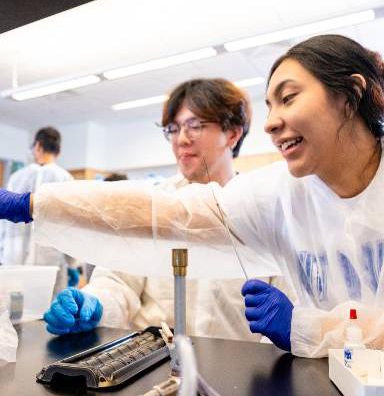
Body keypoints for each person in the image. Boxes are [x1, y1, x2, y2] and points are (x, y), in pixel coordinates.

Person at [0, 34, 384, 375]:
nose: (273, 121)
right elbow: (164, 215)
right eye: (269, 105)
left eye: (288, 98)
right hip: (328, 395)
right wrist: (33, 203)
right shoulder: (279, 195)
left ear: (351, 93)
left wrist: (305, 327)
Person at [46, 79, 293, 341]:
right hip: (153, 359)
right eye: (174, 129)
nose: (181, 139)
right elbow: (118, 283)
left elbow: (286, 309)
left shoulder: (262, 212)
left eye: (195, 126)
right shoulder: (154, 204)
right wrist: (95, 304)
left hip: (237, 364)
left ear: (232, 133)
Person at [0, 127, 72, 267]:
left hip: (14, 258)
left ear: (37, 146)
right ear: (58, 151)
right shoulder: (65, 179)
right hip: (50, 263)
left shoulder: (16, 178)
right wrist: (72, 262)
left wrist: (0, 251)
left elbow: (4, 218)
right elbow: (70, 225)